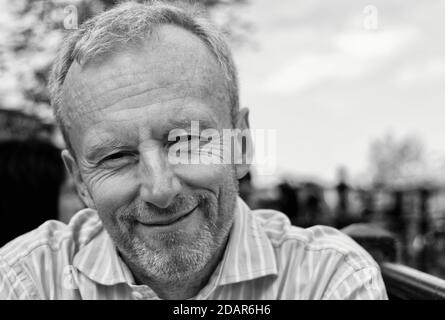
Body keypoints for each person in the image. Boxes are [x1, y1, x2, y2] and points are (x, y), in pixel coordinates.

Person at [0, 1, 388, 299]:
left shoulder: (328, 277)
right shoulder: (26, 277)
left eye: (186, 141)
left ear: (241, 143)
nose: (161, 190)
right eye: (116, 157)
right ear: (80, 180)